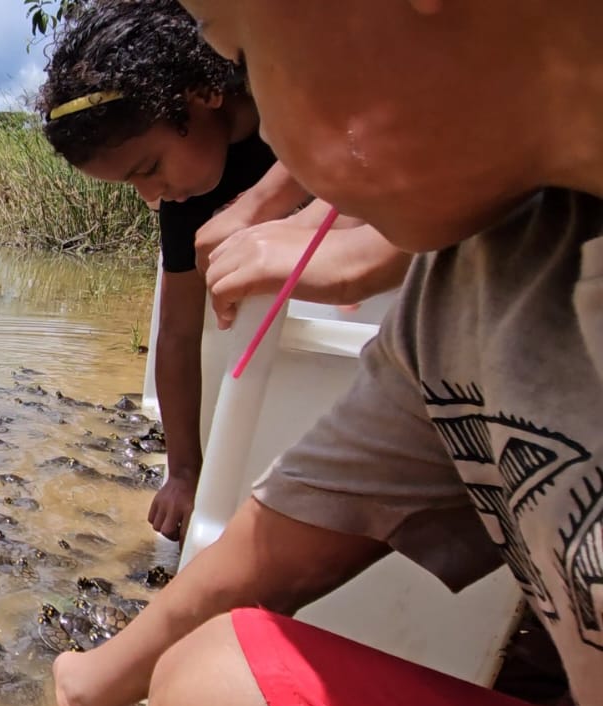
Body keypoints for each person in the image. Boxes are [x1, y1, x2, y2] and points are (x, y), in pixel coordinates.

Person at [50, 1, 603, 706]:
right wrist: (98, 681)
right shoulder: (460, 297)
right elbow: (267, 549)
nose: (278, 168)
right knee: (205, 696)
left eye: (244, 54)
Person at [36, 0, 409, 546]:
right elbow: (179, 333)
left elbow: (370, 143)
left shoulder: (299, 93)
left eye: (151, 169)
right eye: (131, 185)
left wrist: (265, 208)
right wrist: (184, 471)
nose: (150, 199)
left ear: (203, 95)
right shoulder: (186, 202)